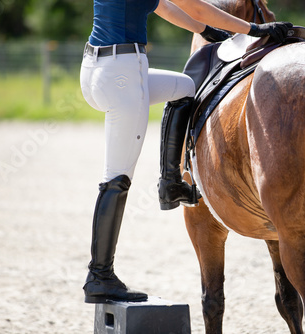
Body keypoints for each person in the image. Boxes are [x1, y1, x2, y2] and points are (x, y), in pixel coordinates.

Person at [80, 0, 292, 304]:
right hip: (122, 75)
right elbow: (195, 5)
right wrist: (255, 28)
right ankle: (99, 276)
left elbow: (164, 7)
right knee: (117, 179)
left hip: (100, 66)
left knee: (184, 88)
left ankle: (171, 181)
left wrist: (206, 31)